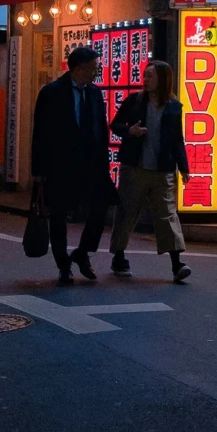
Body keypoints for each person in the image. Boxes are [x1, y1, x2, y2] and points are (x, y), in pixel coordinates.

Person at [32, 47, 115, 285]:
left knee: (100, 208)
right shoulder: (51, 93)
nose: (96, 73)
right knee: (58, 215)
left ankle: (81, 253)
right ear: (79, 68)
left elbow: (102, 129)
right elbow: (40, 133)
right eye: (93, 68)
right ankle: (63, 265)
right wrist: (37, 171)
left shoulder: (95, 93)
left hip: (92, 165)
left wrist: (105, 162)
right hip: (60, 165)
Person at [109, 61, 192, 282]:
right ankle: (119, 256)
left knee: (168, 215)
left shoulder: (174, 106)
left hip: (163, 170)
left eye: (150, 76)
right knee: (127, 212)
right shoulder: (134, 101)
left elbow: (177, 140)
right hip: (134, 167)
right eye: (144, 76)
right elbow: (115, 125)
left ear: (163, 79)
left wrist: (184, 168)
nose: (145, 80)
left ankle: (177, 264)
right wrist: (130, 131)